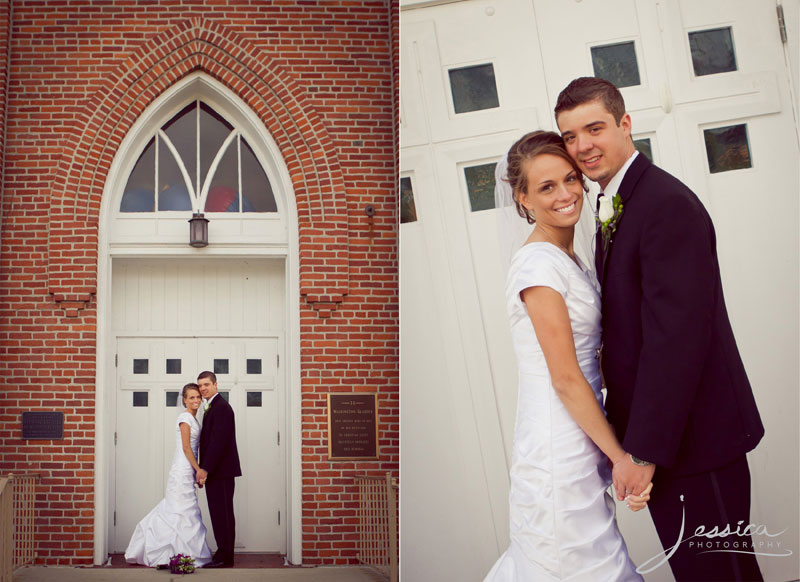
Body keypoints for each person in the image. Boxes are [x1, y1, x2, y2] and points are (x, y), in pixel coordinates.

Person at [555, 76, 765, 581]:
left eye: (594, 128)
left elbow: (676, 340)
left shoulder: (663, 204)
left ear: (626, 125)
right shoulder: (621, 202)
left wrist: (643, 452)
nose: (582, 145)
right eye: (569, 135)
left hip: (696, 444)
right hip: (671, 444)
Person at [484, 130, 651, 581]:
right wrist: (621, 458)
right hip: (557, 439)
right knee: (574, 561)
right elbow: (565, 377)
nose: (566, 195)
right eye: (546, 187)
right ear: (522, 198)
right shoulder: (536, 265)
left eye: (570, 179)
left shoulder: (569, 257)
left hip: (581, 429)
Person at [125, 383, 212, 568]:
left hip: (189, 467)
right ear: (184, 400)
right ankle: (167, 552)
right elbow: (187, 447)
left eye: (198, 397)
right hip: (183, 467)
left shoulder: (194, 418)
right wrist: (198, 469)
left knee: (185, 508)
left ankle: (182, 553)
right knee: (178, 507)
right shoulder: (184, 418)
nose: (196, 400)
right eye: (191, 397)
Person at [196, 371, 241, 569]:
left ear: (216, 384)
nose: (203, 388)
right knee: (219, 514)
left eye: (206, 384)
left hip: (220, 472)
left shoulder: (222, 408)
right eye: (200, 385)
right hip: (218, 472)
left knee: (222, 514)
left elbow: (218, 443)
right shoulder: (212, 406)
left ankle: (225, 558)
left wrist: (204, 469)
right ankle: (223, 553)